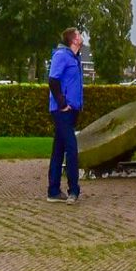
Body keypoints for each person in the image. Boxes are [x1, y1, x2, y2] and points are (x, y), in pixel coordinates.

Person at [44, 26, 86, 203]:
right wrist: (62, 104)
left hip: (71, 110)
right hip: (62, 111)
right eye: (79, 34)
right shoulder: (62, 55)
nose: (81, 36)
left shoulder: (75, 58)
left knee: (59, 149)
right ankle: (73, 190)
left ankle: (53, 191)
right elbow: (53, 80)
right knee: (71, 148)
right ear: (74, 39)